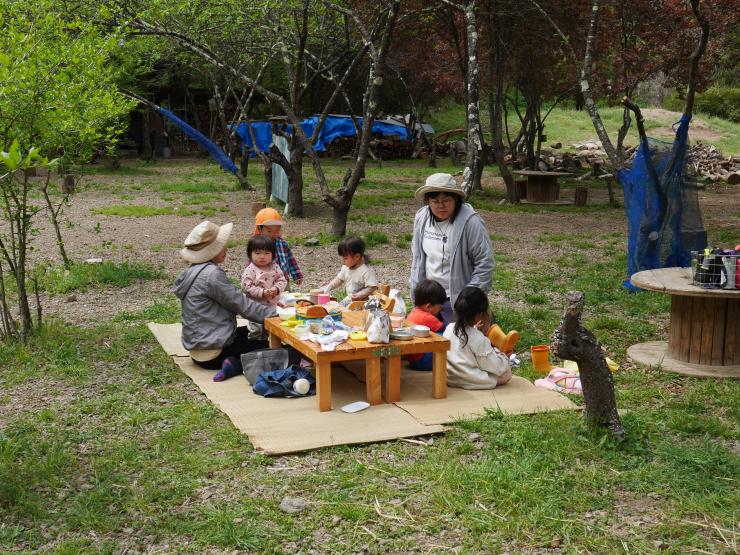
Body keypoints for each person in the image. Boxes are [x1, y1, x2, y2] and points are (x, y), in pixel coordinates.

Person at [173, 221, 276, 382]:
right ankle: (234, 364)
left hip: (197, 351)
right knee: (276, 348)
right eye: (221, 246)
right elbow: (241, 304)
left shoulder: (192, 271)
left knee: (249, 332)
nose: (225, 249)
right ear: (210, 251)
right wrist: (275, 315)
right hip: (215, 353)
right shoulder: (211, 275)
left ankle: (233, 362)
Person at [410, 173, 494, 324]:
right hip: (429, 300)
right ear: (428, 201)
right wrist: (417, 293)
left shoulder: (471, 223)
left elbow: (485, 263)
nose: (440, 206)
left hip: (458, 300)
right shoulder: (422, 218)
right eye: (435, 201)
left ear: (456, 199)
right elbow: (417, 257)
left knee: (463, 344)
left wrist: (468, 299)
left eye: (446, 200)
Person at [443, 286, 512, 390]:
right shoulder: (479, 339)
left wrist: (475, 330)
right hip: (470, 379)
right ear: (480, 314)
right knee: (506, 373)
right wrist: (504, 357)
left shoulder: (449, 328)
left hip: (448, 377)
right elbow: (496, 367)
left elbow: (464, 338)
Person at [405, 279, 448, 371]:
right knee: (444, 337)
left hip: (412, 359)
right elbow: (447, 330)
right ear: (428, 306)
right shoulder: (427, 318)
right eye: (439, 307)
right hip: (422, 361)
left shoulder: (415, 311)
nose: (440, 310)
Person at [322, 236, 379, 305]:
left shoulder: (366, 271)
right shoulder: (346, 267)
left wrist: (359, 295)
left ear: (357, 257)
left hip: (363, 304)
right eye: (342, 258)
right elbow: (339, 279)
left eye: (345, 258)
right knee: (333, 307)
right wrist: (329, 286)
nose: (343, 261)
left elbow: (372, 287)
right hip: (350, 300)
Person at [254, 207, 303, 286]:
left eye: (276, 230)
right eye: (269, 231)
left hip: (284, 280)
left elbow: (291, 260)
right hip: (265, 282)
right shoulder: (257, 245)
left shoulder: (283, 243)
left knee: (286, 297)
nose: (273, 233)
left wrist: (297, 275)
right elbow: (251, 263)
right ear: (260, 229)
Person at [241, 235, 287, 308]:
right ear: (250, 254)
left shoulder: (275, 267)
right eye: (257, 253)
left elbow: (282, 281)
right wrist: (262, 292)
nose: (262, 256)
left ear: (273, 254)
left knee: (272, 319)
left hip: (272, 305)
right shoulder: (250, 270)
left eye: (267, 253)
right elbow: (247, 287)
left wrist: (276, 288)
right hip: (255, 307)